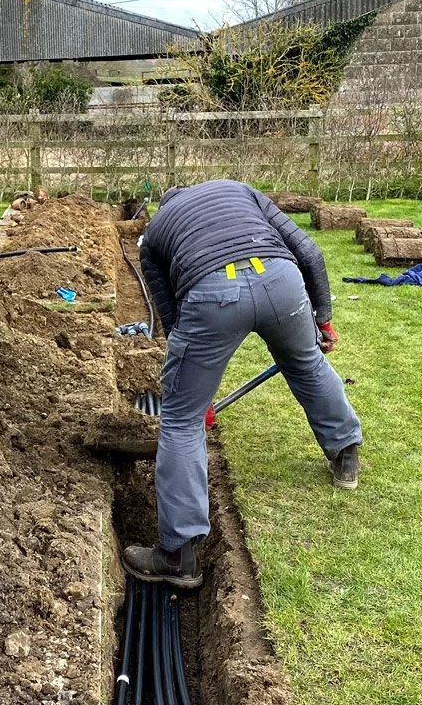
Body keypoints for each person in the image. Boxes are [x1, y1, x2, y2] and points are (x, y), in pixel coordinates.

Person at [123, 180, 362, 590]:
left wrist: (191, 390)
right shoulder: (240, 191)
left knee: (181, 420)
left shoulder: (157, 232)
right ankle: (345, 454)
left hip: (212, 294)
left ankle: (177, 555)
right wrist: (322, 319)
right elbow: (308, 251)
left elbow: (171, 316)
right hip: (283, 284)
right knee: (307, 365)